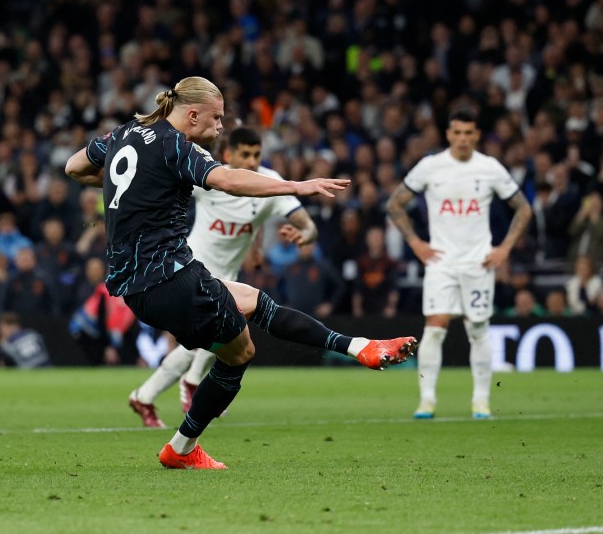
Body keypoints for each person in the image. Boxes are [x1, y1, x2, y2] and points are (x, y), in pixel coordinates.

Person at [65, 77, 416, 470]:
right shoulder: (177, 145)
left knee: (252, 301)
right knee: (241, 353)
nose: (219, 128)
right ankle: (181, 449)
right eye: (216, 119)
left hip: (141, 283)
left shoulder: (126, 132)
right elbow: (229, 180)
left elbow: (74, 166)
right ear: (192, 113)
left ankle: (359, 347)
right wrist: (295, 185)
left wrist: (134, 185)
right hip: (169, 277)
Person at [126, 126, 321, 428]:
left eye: (256, 154)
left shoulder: (270, 183)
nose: (252, 161)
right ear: (229, 155)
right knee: (221, 336)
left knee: (211, 340)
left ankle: (151, 394)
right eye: (245, 154)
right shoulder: (210, 178)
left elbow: (307, 224)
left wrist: (303, 235)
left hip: (227, 276)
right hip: (191, 270)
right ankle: (187, 386)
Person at [387, 108, 532, 420]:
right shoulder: (431, 166)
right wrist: (415, 243)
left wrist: (504, 248)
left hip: (478, 263)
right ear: (448, 134)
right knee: (435, 329)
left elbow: (523, 208)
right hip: (441, 262)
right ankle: (427, 401)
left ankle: (481, 402)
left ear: (477, 135)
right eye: (457, 132)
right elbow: (395, 203)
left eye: (469, 133)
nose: (463, 138)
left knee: (478, 330)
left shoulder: (490, 168)